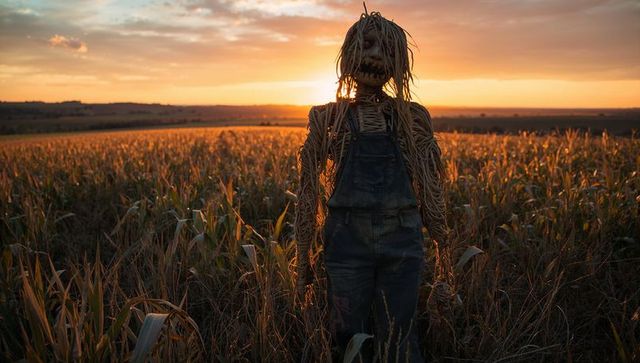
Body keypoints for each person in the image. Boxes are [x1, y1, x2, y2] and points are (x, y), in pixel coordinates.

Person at [294, 8, 450, 363]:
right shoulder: (326, 118)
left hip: (404, 240)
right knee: (348, 338)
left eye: (386, 50)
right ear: (349, 53)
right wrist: (302, 254)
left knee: (400, 335)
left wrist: (443, 248)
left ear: (399, 63)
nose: (376, 55)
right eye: (366, 45)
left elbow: (431, 187)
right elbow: (307, 191)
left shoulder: (413, 119)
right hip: (346, 241)